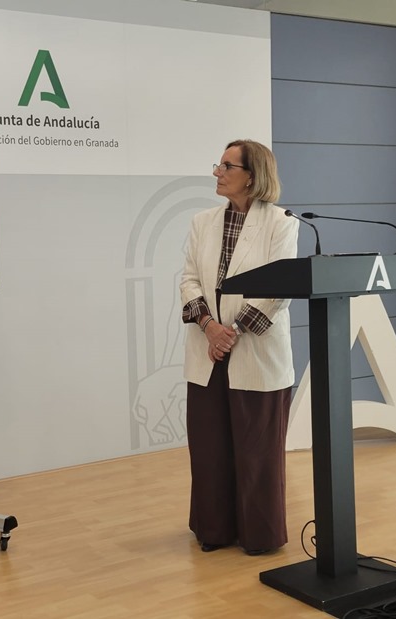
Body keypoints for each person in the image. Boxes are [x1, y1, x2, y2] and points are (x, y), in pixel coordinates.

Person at [179, 139, 298, 555]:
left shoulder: (282, 223)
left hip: (255, 352)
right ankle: (214, 530)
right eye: (219, 164)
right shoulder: (202, 222)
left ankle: (259, 536)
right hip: (208, 349)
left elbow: (279, 287)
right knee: (210, 449)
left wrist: (232, 332)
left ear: (252, 175)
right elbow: (188, 279)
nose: (217, 172)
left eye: (227, 166)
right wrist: (211, 327)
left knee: (257, 453)